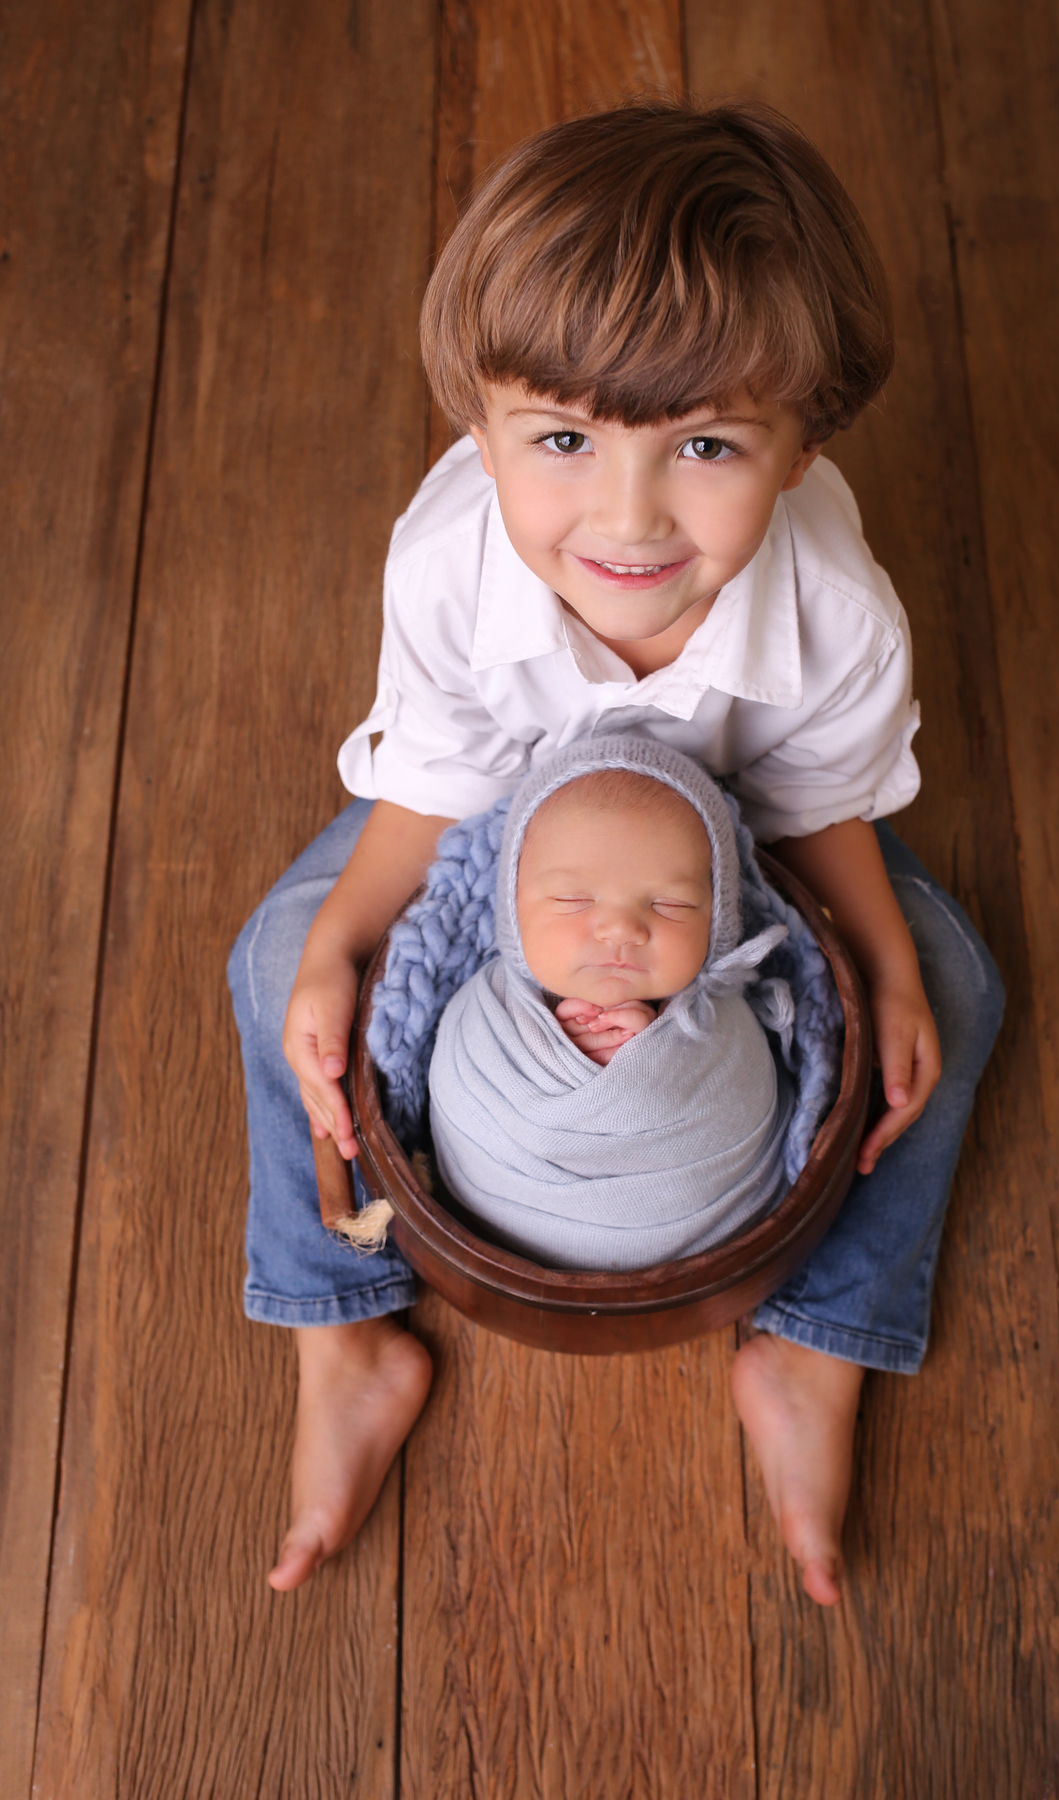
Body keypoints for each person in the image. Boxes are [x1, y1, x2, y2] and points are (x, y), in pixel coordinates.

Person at [227, 98, 1005, 1606]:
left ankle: (820, 1342)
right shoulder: (449, 565)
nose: (629, 518)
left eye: (705, 444)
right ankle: (343, 1322)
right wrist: (337, 945)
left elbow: (816, 800)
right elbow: (438, 787)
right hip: (505, 823)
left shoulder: (839, 612)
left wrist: (893, 972)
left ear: (803, 446)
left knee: (957, 993)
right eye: (565, 441)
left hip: (738, 830)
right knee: (277, 964)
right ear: (479, 428)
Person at [426, 740, 799, 1269]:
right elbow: (464, 1103)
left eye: (670, 904)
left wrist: (652, 1060)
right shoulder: (481, 1015)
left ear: (718, 919)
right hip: (492, 1242)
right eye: (573, 899)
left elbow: (739, 1103)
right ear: (511, 906)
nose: (621, 929)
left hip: (703, 1257)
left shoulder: (729, 1025)